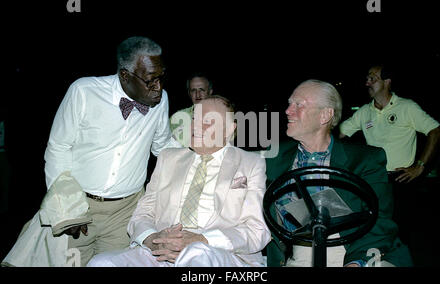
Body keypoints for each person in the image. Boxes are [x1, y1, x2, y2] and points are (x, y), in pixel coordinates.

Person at [43, 36, 181, 266]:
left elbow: (163, 146)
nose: (159, 87)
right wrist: (66, 208)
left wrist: (204, 154)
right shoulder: (84, 91)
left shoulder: (160, 100)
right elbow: (58, 148)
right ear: (125, 75)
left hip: (125, 212)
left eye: (161, 77)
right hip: (80, 207)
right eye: (150, 80)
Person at [87, 96, 271, 267]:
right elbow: (142, 214)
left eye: (207, 122)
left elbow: (257, 231)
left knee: (197, 255)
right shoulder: (168, 158)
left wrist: (201, 240)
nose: (196, 128)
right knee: (101, 262)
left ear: (230, 128)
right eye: (194, 119)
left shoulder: (251, 163)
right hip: (162, 250)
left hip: (218, 252)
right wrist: (153, 239)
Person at [265, 79, 413, 267]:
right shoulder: (274, 156)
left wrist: (357, 261)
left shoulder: (365, 159)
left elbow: (380, 220)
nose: (287, 111)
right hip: (302, 251)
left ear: (325, 115)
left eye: (298, 105)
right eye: (289, 104)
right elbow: (233, 161)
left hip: (355, 248)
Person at [339, 64, 440, 244]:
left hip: (402, 179)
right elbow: (340, 136)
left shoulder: (407, 107)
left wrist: (420, 167)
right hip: (374, 179)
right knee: (375, 227)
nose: (367, 83)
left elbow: (435, 131)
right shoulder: (364, 112)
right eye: (367, 79)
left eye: (372, 79)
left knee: (400, 230)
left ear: (387, 82)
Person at [170, 73, 213, 147]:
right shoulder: (177, 117)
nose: (198, 95)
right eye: (193, 90)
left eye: (202, 90)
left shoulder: (222, 115)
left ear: (210, 92)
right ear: (189, 93)